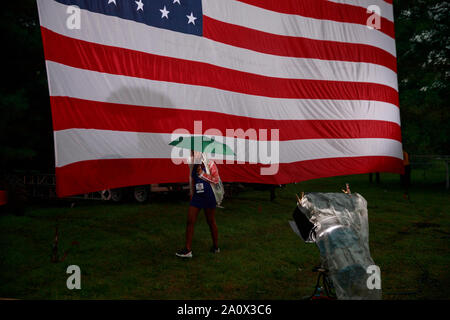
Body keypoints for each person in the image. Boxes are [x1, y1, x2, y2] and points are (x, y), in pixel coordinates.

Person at [176, 151, 221, 258]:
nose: (192, 155)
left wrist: (203, 174)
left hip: (209, 196)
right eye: (192, 153)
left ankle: (216, 247)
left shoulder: (210, 163)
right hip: (197, 197)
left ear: (201, 152)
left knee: (210, 221)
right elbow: (192, 179)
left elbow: (216, 180)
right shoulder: (193, 164)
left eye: (194, 152)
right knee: (190, 221)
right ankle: (187, 250)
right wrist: (192, 193)